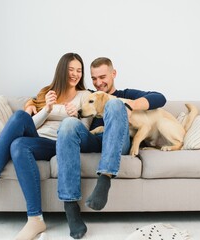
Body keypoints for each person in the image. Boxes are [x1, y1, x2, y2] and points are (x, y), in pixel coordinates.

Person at [0, 53, 92, 240]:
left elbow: (85, 131)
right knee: (19, 132)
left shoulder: (85, 96)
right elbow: (32, 125)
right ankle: (34, 218)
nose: (75, 74)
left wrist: (76, 117)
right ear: (61, 71)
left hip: (60, 143)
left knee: (18, 138)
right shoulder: (46, 93)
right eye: (71, 70)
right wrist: (47, 109)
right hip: (38, 139)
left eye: (79, 70)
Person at [56, 57, 167, 239]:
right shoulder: (89, 96)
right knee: (68, 125)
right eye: (94, 78)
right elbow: (64, 92)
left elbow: (160, 98)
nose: (98, 83)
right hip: (93, 139)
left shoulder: (127, 93)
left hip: (119, 142)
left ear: (113, 74)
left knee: (115, 103)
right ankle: (70, 206)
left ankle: (104, 180)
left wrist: (131, 105)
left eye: (103, 77)